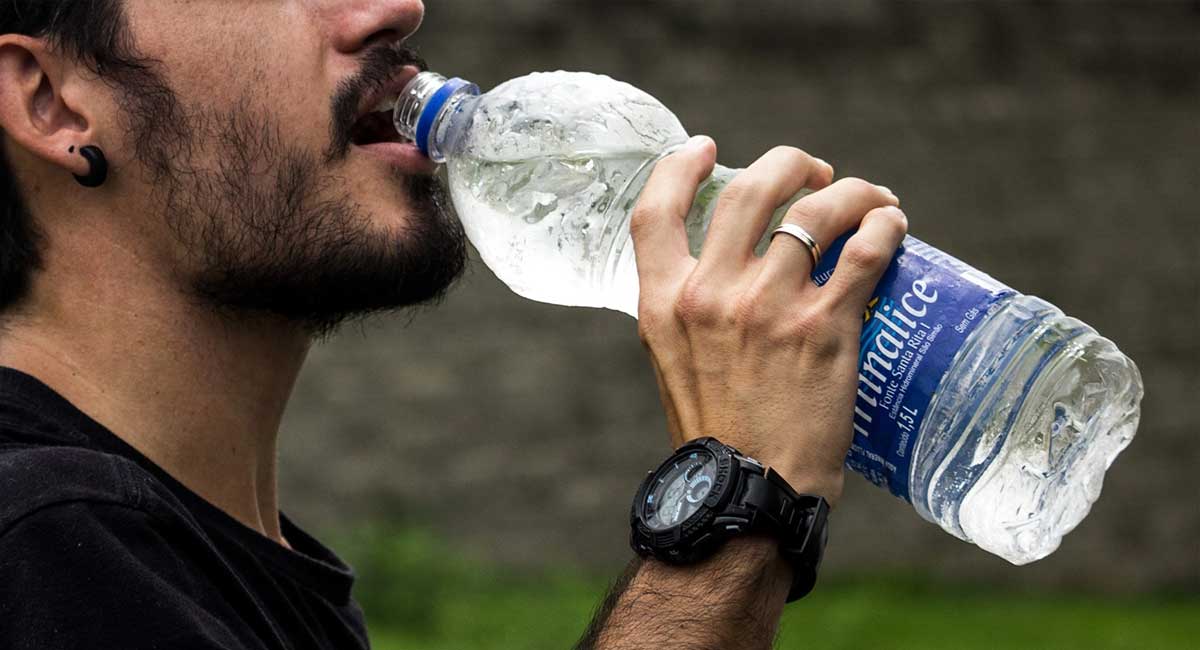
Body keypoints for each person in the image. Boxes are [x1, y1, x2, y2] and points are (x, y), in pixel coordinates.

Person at [0, 1, 905, 648]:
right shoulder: (40, 544)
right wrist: (739, 500)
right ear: (52, 99)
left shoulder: (209, 558)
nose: (395, 11)